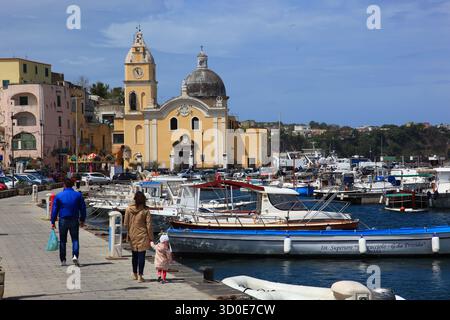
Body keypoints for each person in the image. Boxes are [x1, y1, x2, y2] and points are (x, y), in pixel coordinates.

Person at [51, 178, 87, 267]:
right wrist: (82, 220)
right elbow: (83, 209)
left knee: (63, 241)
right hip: (74, 219)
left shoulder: (59, 196)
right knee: (75, 239)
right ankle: (75, 256)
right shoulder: (78, 195)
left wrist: (53, 221)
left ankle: (63, 260)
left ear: (64, 185)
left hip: (63, 220)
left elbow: (54, 210)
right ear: (72, 185)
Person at [124, 191, 153, 283]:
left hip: (132, 235)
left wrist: (129, 231)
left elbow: (125, 224)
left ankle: (134, 274)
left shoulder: (128, 209)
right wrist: (151, 237)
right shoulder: (146, 210)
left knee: (134, 255)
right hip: (143, 235)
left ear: (135, 199)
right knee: (141, 256)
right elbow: (149, 225)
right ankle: (140, 276)